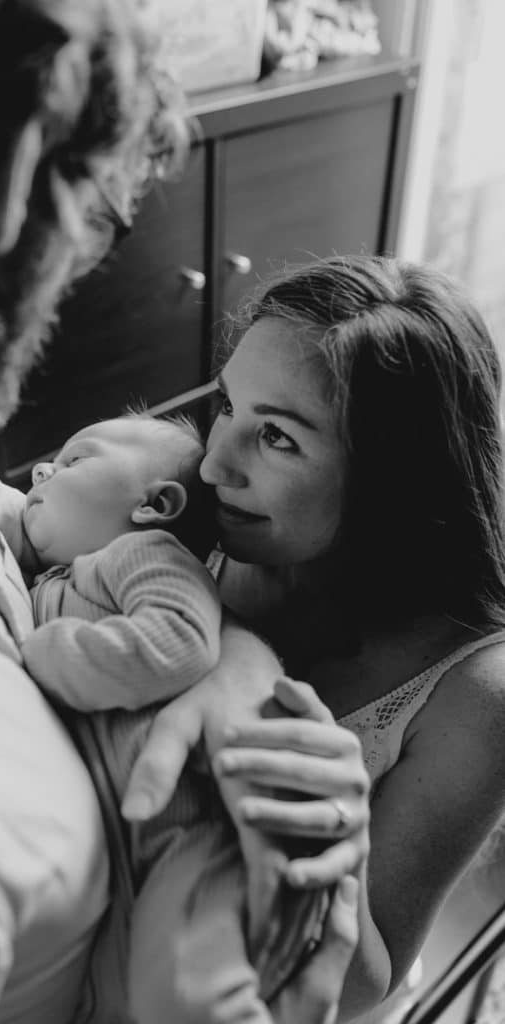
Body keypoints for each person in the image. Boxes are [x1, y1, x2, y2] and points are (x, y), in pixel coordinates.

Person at [0, 3, 369, 1023]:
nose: (71, 279)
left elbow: (114, 563)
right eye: (100, 221)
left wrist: (235, 670)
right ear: (18, 180)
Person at [143, 252, 505, 1022]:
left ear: (393, 480)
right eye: (228, 405)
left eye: (277, 437)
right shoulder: (193, 509)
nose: (212, 464)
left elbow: (365, 983)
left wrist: (335, 847)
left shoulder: (474, 694)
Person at [19, 410, 330, 1023]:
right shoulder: (49, 581)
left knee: (188, 995)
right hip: (128, 853)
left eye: (76, 460)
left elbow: (179, 641)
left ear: (154, 504)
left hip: (198, 833)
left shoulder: (143, 554)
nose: (42, 472)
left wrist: (47, 654)